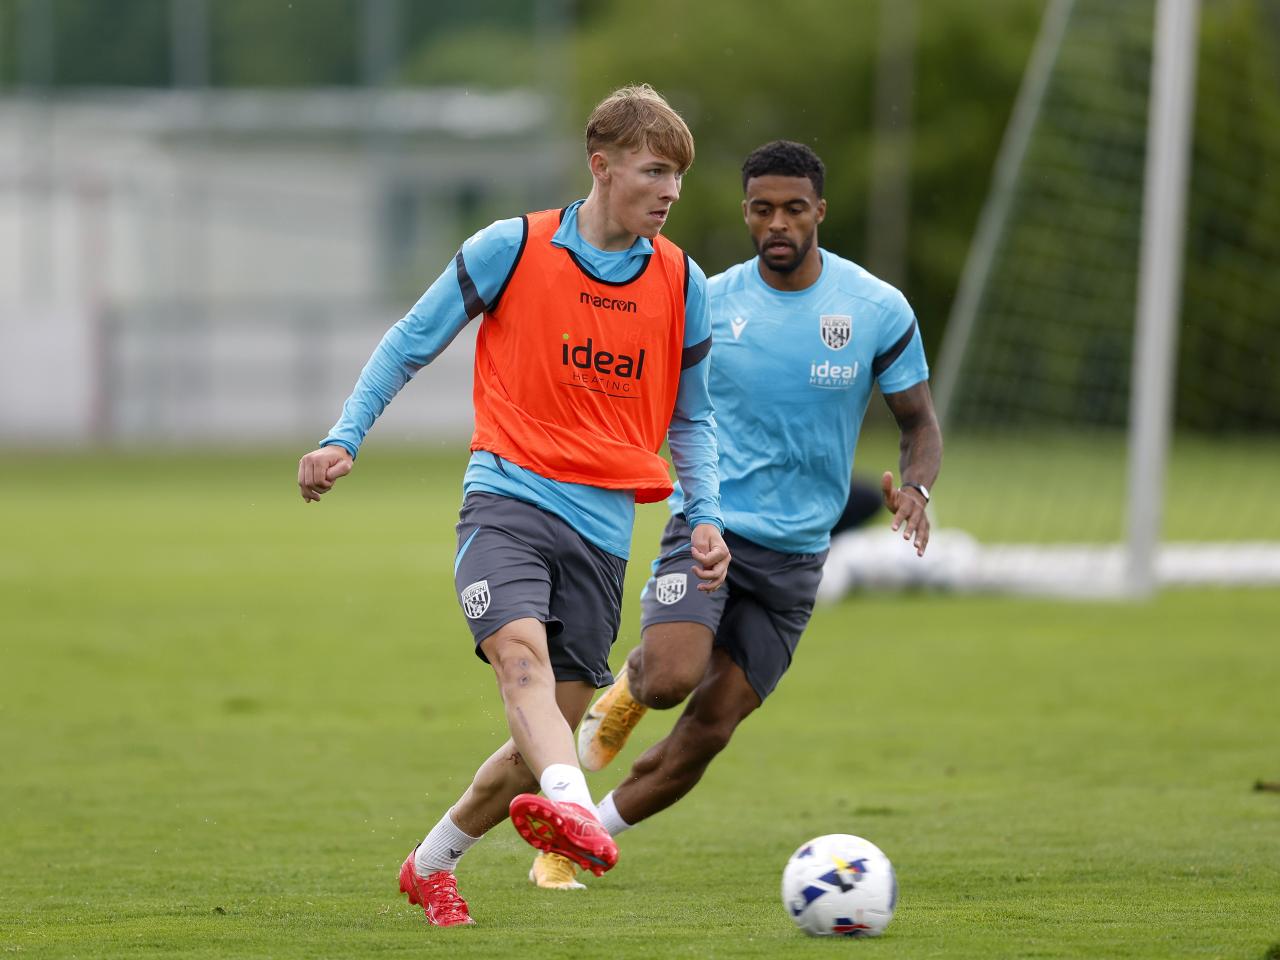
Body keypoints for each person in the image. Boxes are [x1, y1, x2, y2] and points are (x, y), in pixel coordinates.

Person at [297, 84, 730, 926]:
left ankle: (431, 864)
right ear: (601, 166)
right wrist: (344, 436)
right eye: (654, 170)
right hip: (508, 499)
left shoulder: (683, 281)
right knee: (520, 665)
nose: (671, 189)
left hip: (605, 530)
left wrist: (705, 514)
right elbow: (408, 342)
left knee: (539, 750)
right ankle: (570, 811)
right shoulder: (513, 247)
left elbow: (694, 415)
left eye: (678, 174)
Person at [528, 139, 941, 887]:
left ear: (820, 210)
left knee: (709, 731)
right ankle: (633, 683)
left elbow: (919, 422)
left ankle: (581, 838)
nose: (776, 223)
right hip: (710, 526)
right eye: (761, 209)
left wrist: (917, 489)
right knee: (667, 683)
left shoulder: (876, 308)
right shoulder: (705, 299)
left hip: (798, 557)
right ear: (745, 213)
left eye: (792, 209)